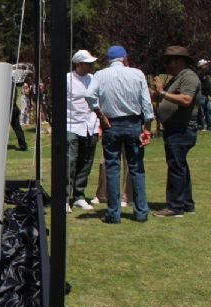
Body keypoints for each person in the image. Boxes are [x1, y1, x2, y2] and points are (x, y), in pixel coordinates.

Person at [85, 45, 153, 223]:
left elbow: (89, 94)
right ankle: (141, 212)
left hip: (112, 124)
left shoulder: (100, 75)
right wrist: (147, 127)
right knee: (136, 168)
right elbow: (146, 103)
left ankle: (113, 213)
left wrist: (99, 113)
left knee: (113, 168)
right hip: (133, 123)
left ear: (109, 59)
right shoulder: (137, 74)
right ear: (124, 58)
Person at [150, 46, 201, 217]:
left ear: (180, 60)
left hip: (182, 129)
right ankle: (187, 204)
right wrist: (151, 91)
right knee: (180, 166)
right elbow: (161, 97)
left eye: (169, 61)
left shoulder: (189, 77)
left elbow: (186, 99)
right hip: (175, 129)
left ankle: (175, 207)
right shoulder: (177, 78)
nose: (166, 65)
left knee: (175, 167)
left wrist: (162, 92)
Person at [66, 50, 100, 212]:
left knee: (86, 162)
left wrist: (99, 124)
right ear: (78, 64)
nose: (90, 66)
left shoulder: (93, 79)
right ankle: (64, 197)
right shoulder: (67, 79)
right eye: (87, 63)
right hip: (72, 124)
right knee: (70, 162)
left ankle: (79, 195)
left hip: (91, 124)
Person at [195, 59, 211, 130]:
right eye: (205, 64)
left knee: (209, 110)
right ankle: (201, 126)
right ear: (201, 66)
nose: (206, 65)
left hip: (206, 95)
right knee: (201, 111)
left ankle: (209, 126)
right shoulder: (199, 73)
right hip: (201, 95)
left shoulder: (206, 74)